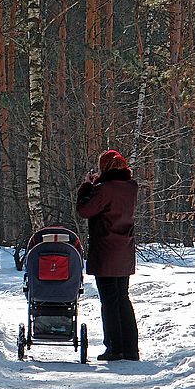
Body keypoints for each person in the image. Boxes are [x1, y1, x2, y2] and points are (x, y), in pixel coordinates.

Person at [76, 149, 140, 361]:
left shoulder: (104, 189)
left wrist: (87, 186)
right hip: (125, 248)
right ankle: (130, 349)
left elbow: (85, 210)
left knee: (109, 301)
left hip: (106, 249)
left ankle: (114, 347)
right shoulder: (131, 187)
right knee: (123, 298)